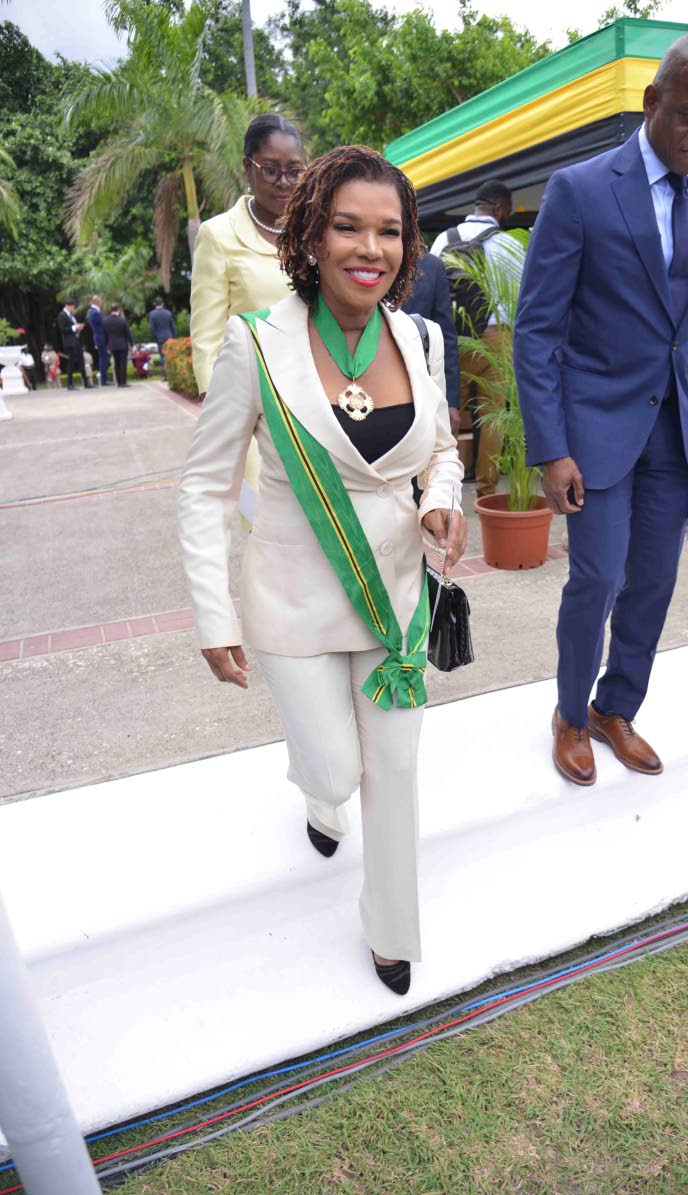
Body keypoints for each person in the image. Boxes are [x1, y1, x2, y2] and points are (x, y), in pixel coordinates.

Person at [178, 145, 466, 995]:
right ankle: (315, 791)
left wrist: (443, 499)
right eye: (347, 227)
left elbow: (442, 454)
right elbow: (202, 484)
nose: (367, 249)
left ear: (408, 246)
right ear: (311, 233)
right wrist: (211, 613)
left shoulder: (420, 340)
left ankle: (392, 931)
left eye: (388, 231)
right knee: (337, 774)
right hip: (292, 603)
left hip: (397, 602)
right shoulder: (255, 345)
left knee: (397, 771)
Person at [515, 32, 688, 787]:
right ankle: (572, 715)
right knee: (599, 577)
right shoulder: (580, 190)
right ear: (652, 103)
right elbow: (539, 328)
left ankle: (619, 708)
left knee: (655, 578)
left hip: (678, 432)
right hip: (597, 429)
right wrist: (551, 448)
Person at [190, 113, 305, 397]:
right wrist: (217, 408)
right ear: (247, 167)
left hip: (318, 396)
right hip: (254, 400)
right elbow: (207, 340)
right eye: (270, 170)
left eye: (294, 171)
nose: (283, 182)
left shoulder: (316, 232)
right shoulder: (218, 235)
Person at [431, 180, 520, 496]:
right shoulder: (509, 244)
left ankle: (441, 489)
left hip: (452, 340)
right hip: (495, 339)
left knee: (447, 417)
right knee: (491, 417)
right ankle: (486, 491)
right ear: (500, 209)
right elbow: (520, 299)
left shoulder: (444, 239)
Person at [401, 251, 461, 436]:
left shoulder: (431, 265)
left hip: (422, 384)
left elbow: (447, 337)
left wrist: (451, 401)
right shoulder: (371, 258)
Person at [56, 300, 91, 390]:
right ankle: (70, 384)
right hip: (69, 342)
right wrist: (74, 327)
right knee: (71, 362)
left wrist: (79, 327)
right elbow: (62, 329)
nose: (73, 308)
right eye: (72, 306)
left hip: (76, 340)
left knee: (81, 361)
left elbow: (74, 327)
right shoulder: (62, 315)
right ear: (67, 306)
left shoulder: (71, 316)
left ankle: (86, 383)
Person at [103, 304, 133, 387]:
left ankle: (119, 382)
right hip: (122, 345)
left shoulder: (105, 321)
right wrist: (131, 344)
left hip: (112, 345)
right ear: (118, 310)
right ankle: (123, 382)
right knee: (123, 364)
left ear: (110, 310)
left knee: (116, 364)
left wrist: (106, 345)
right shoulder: (122, 320)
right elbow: (128, 333)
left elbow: (105, 334)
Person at [147, 297, 176, 377]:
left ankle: (165, 376)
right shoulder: (168, 313)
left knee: (163, 357)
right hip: (169, 337)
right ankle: (172, 374)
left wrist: (154, 338)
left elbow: (152, 328)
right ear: (162, 303)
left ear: (154, 304)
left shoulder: (152, 314)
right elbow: (173, 327)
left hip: (160, 338)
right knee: (170, 356)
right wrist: (174, 337)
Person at [86, 294, 110, 385]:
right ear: (97, 302)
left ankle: (104, 378)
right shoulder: (95, 312)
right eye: (101, 300)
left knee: (105, 358)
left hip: (99, 337)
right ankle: (104, 379)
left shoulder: (93, 311)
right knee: (104, 359)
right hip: (101, 337)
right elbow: (103, 324)